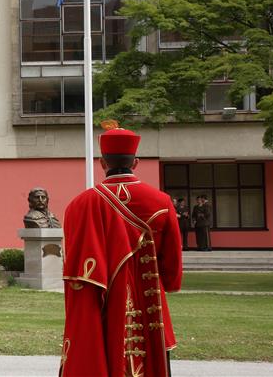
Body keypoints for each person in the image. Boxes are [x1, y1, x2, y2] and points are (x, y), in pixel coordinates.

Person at [60, 124, 182, 377]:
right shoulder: (162, 201)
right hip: (150, 305)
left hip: (99, 306)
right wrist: (168, 282)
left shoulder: (79, 204)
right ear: (135, 162)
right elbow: (171, 263)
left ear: (103, 163)